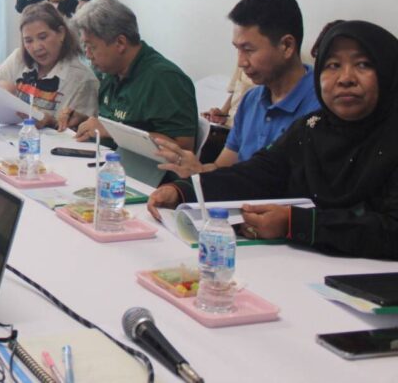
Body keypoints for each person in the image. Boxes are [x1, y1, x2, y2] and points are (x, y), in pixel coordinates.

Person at [148, 21, 398, 260]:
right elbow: (257, 174)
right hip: (301, 268)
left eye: (363, 65)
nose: (345, 78)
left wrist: (294, 224)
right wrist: (184, 191)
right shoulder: (311, 128)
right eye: (333, 65)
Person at [69, 0, 197, 185]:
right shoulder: (110, 71)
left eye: (91, 47)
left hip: (149, 183)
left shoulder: (164, 79)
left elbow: (183, 151)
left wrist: (112, 131)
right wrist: (83, 119)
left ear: (120, 43)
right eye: (85, 46)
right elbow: (114, 121)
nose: (88, 55)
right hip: (108, 167)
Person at [199, 0, 322, 171]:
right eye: (238, 49)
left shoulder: (322, 106)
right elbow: (224, 169)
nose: (241, 62)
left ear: (287, 46)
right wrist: (196, 171)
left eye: (248, 50)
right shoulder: (250, 100)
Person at [0, 3, 98, 129]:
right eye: (28, 40)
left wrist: (50, 122)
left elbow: (80, 131)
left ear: (61, 33)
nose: (36, 47)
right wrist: (2, 86)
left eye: (43, 37)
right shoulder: (18, 58)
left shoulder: (83, 79)